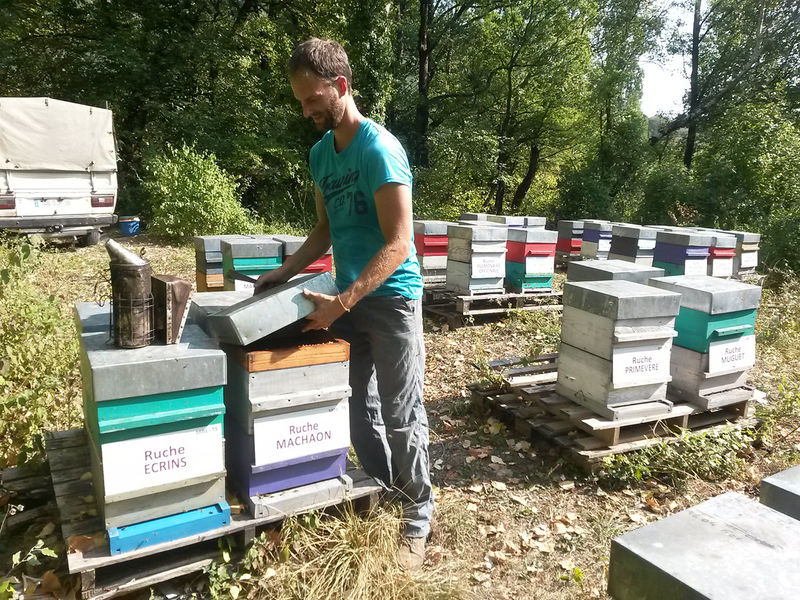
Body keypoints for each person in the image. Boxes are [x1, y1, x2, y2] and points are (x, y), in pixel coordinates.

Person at [254, 38, 434, 570]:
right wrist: (283, 272)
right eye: (300, 102)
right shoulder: (318, 155)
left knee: (402, 415)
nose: (306, 111)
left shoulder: (379, 149)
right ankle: (384, 489)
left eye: (312, 99)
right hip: (345, 300)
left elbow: (400, 243)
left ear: (341, 87)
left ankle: (418, 514)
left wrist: (343, 302)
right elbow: (324, 231)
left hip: (392, 300)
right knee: (358, 411)